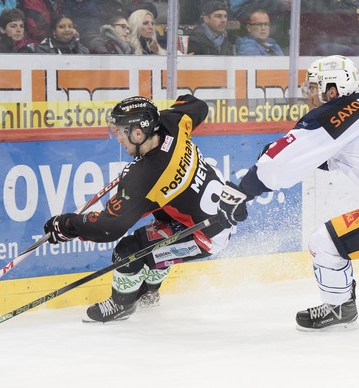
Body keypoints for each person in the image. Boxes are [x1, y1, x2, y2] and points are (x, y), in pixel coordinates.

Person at [218, 55, 359, 330]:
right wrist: (289, 152)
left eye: (314, 87)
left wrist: (243, 190)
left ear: (333, 90)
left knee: (324, 243)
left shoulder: (331, 116)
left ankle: (339, 310)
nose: (310, 95)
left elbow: (280, 165)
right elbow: (336, 155)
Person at [44, 95, 233, 323]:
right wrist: (156, 116)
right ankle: (149, 293)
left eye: (122, 131)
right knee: (157, 229)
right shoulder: (172, 123)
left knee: (128, 251)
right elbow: (197, 105)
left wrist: (67, 225)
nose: (119, 138)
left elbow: (109, 227)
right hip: (221, 211)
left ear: (138, 132)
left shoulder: (145, 176)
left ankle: (122, 305)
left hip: (203, 235)